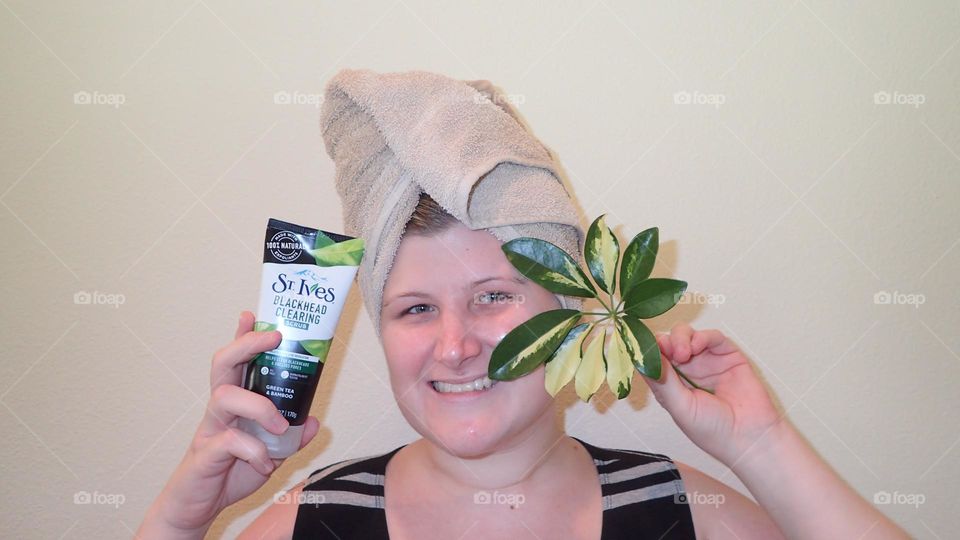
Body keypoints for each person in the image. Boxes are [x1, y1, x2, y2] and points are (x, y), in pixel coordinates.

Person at [137, 69, 910, 539]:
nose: (454, 346)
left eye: (494, 296)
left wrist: (762, 445)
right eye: (413, 310)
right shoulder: (318, 517)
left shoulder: (683, 509)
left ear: (575, 311)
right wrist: (183, 517)